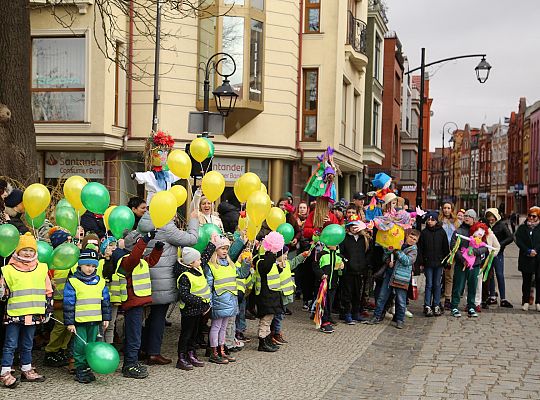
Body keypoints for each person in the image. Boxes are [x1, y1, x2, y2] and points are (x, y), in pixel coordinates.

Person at [137, 207, 199, 365]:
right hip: (163, 279)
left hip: (146, 276)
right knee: (158, 316)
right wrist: (193, 219)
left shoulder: (144, 223)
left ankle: (142, 348)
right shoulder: (166, 226)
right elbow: (192, 239)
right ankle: (154, 352)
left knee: (149, 316)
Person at [110, 229, 164, 378]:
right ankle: (129, 365)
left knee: (136, 334)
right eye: (140, 244)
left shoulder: (140, 261)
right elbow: (134, 257)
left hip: (139, 302)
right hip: (132, 304)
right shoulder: (127, 261)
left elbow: (151, 261)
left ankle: (132, 362)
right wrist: (145, 239)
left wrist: (158, 249)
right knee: (134, 335)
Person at [1, 233, 51, 388]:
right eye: (24, 250)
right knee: (10, 343)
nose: (28, 253)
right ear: (17, 251)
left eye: (31, 250)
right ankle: (5, 371)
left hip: (33, 313)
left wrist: (47, 309)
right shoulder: (8, 269)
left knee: (28, 343)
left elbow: (48, 290)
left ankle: (26, 368)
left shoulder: (42, 268)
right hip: (14, 314)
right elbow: (4, 293)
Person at [63, 249, 111, 384]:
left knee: (93, 345)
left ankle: (88, 367)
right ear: (80, 265)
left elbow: (105, 302)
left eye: (93, 266)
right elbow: (69, 304)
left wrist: (106, 318)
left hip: (95, 321)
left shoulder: (101, 282)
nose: (90, 269)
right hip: (80, 322)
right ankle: (80, 368)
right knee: (79, 346)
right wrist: (70, 322)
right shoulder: (73, 282)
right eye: (87, 265)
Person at [203, 234, 249, 363]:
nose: (224, 251)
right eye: (222, 248)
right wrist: (209, 303)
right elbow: (208, 286)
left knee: (223, 327)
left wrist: (246, 264)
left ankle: (222, 349)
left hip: (230, 301)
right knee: (216, 327)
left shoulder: (230, 264)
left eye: (226, 249)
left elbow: (241, 274)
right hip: (218, 301)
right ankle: (214, 351)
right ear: (215, 250)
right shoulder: (211, 266)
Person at [367, 230, 420, 329]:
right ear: (407, 236)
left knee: (400, 300)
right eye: (411, 237)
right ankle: (376, 316)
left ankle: (400, 320)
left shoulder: (413, 250)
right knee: (382, 297)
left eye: (414, 239)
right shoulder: (398, 243)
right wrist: (388, 260)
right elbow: (385, 256)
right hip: (390, 274)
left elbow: (407, 261)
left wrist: (397, 251)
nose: (412, 240)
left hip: (402, 277)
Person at [175, 247, 211, 371]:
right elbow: (184, 294)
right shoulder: (185, 276)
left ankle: (191, 353)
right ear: (191, 263)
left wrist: (212, 244)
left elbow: (205, 258)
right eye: (198, 260)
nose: (201, 261)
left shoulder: (198, 269)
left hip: (199, 309)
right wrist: (200, 301)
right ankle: (181, 357)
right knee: (186, 334)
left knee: (194, 334)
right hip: (189, 310)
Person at [450, 210, 489, 318]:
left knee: (473, 286)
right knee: (458, 286)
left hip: (475, 264)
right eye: (465, 216)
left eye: (469, 216)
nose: (466, 218)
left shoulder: (479, 231)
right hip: (461, 264)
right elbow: (453, 246)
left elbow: (485, 247)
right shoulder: (458, 231)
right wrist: (463, 258)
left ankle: (471, 306)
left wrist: (474, 253)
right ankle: (454, 306)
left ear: (474, 218)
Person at [270, 246, 308, 346]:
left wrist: (302, 256)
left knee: (280, 315)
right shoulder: (274, 266)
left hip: (286, 295)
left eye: (287, 254)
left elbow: (294, 262)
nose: (286, 257)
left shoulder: (286, 264)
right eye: (284, 254)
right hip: (279, 294)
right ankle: (276, 333)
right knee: (278, 316)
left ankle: (275, 332)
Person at [418, 211, 450, 317]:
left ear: (436, 221)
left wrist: (446, 261)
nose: (430, 222)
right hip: (428, 262)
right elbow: (420, 248)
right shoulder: (424, 233)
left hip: (439, 262)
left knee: (437, 284)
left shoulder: (441, 232)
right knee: (429, 284)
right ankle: (427, 305)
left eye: (433, 220)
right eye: (429, 220)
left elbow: (445, 248)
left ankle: (436, 304)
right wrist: (421, 262)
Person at [340, 215, 370, 324]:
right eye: (351, 225)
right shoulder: (345, 238)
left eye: (356, 225)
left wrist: (365, 263)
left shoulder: (364, 239)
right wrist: (346, 261)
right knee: (347, 293)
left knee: (358, 293)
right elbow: (341, 253)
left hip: (360, 270)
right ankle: (346, 313)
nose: (353, 228)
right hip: (349, 270)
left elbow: (368, 253)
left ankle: (356, 313)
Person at [485, 208, 514, 308]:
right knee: (490, 274)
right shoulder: (486, 225)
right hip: (489, 253)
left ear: (496, 216)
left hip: (498, 253)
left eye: (492, 217)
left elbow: (510, 237)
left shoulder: (502, 225)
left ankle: (503, 298)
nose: (490, 219)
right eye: (488, 217)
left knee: (499, 274)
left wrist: (500, 245)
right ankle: (492, 296)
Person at [313, 242, 344, 334]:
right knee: (323, 303)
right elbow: (315, 266)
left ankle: (327, 318)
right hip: (323, 283)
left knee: (329, 302)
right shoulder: (321, 254)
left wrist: (342, 268)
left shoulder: (339, 255)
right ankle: (324, 322)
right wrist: (321, 275)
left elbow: (340, 272)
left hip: (333, 284)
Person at [515, 207, 540, 311]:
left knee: (539, 280)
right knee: (526, 281)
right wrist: (527, 250)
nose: (531, 218)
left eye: (533, 216)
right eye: (529, 215)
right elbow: (518, 240)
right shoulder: (522, 228)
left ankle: (538, 302)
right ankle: (525, 301)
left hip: (538, 258)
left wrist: (536, 250)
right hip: (526, 257)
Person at [98, 236, 123, 344]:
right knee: (102, 325)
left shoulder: (118, 262)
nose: (113, 248)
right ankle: (101, 346)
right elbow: (104, 276)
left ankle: (109, 346)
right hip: (103, 299)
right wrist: (107, 259)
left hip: (114, 298)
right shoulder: (100, 263)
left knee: (111, 324)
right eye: (110, 246)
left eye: (115, 246)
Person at [439, 203, 459, 310]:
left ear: (451, 209)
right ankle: (436, 297)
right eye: (445, 208)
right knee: (438, 275)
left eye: (448, 208)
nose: (446, 210)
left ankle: (448, 298)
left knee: (449, 276)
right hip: (440, 251)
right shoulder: (439, 221)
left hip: (451, 252)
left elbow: (458, 237)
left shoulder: (456, 222)